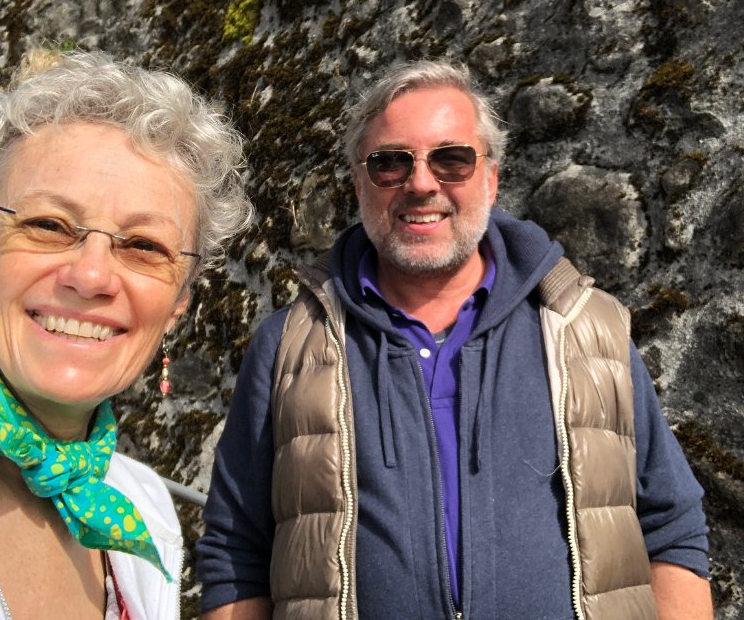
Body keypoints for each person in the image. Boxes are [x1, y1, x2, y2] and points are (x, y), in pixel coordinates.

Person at [197, 61, 714, 619]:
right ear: (359, 183)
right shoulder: (289, 346)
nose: (421, 184)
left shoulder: (586, 328)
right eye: (391, 162)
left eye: (451, 159)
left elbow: (670, 527)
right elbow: (236, 554)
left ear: (490, 178)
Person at [0, 51, 252, 619]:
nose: (90, 276)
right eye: (47, 225)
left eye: (144, 246)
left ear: (178, 304)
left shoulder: (143, 512)